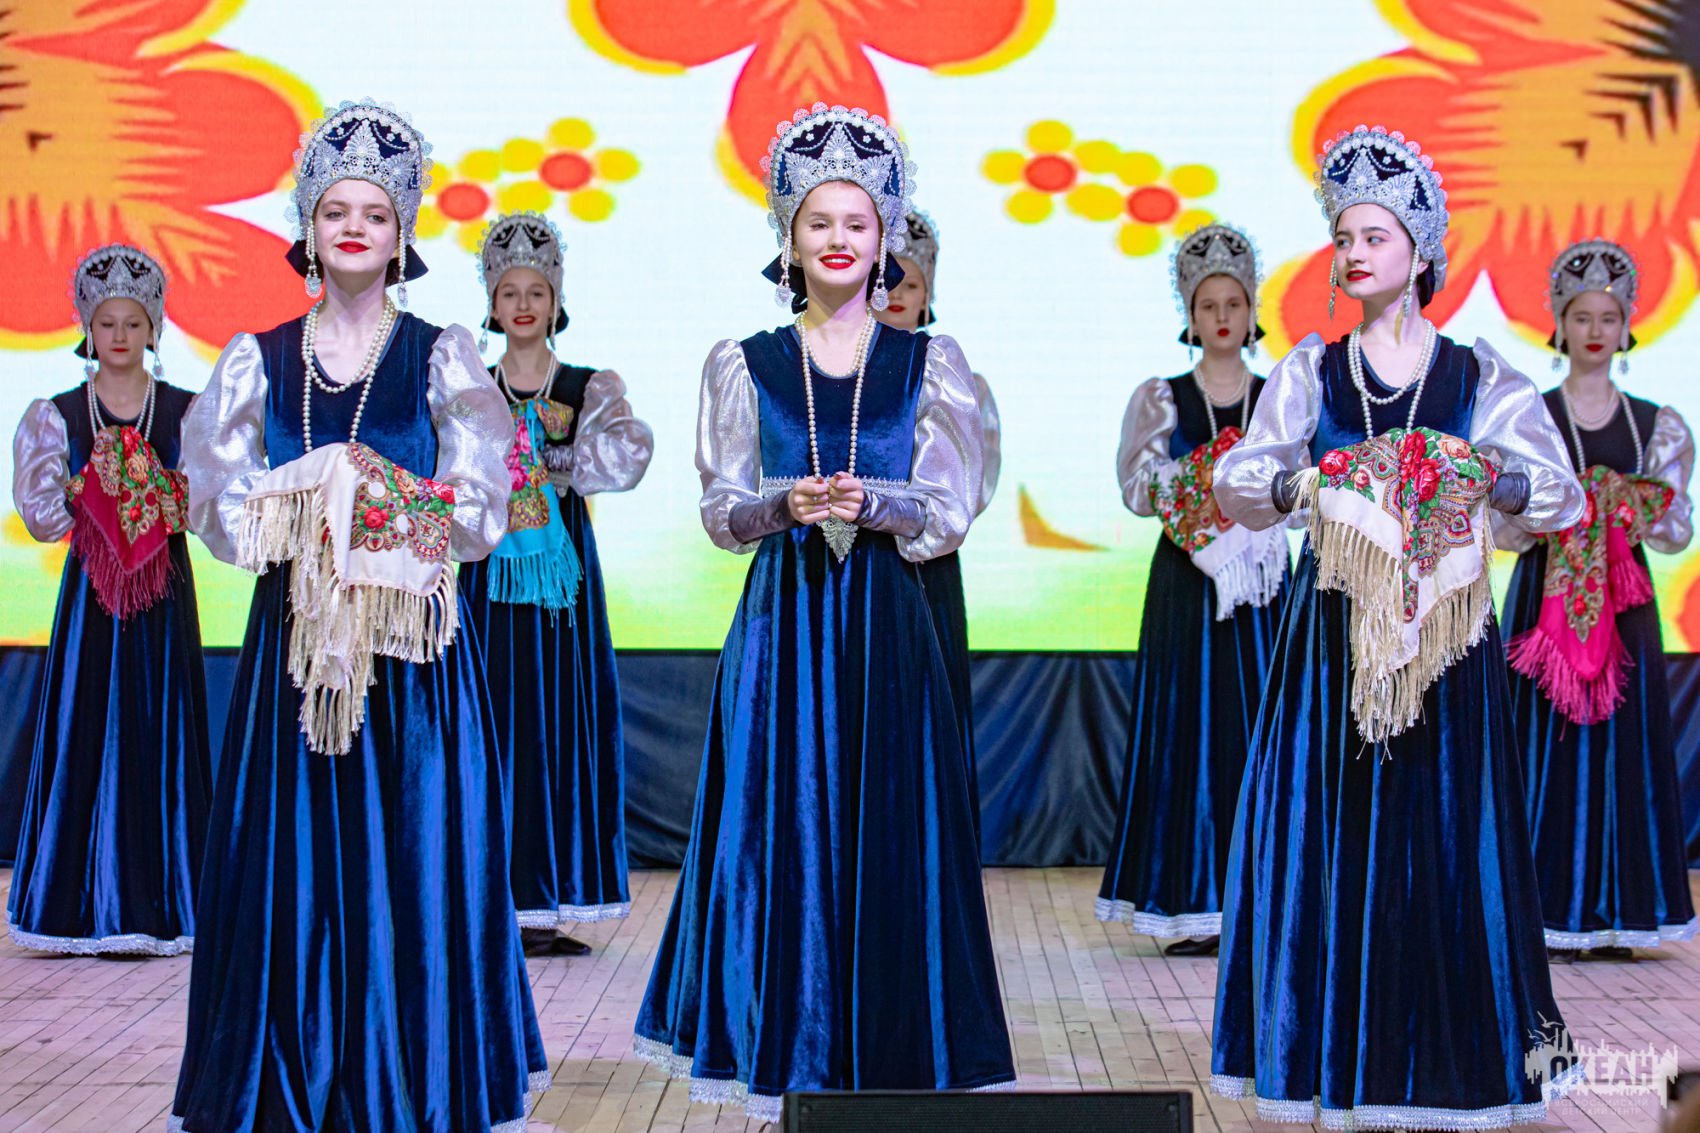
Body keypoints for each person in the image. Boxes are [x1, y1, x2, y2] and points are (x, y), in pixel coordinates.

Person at [168, 100, 547, 1132]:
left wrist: (374, 493)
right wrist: (305, 492)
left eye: (374, 214)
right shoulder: (257, 356)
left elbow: (479, 509)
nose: (353, 228)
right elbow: (216, 501)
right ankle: (283, 1073)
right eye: (335, 210)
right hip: (295, 652)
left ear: (401, 232)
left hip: (412, 661)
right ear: (307, 224)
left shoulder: (440, 354)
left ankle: (412, 1074)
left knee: (413, 856)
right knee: (287, 864)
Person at [633, 103, 1014, 1120]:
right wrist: (781, 505)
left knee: (893, 827)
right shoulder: (744, 361)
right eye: (818, 222)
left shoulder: (930, 362)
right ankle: (781, 1042)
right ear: (788, 238)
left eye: (857, 221)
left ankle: (893, 1049)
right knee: (777, 825)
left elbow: (948, 509)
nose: (838, 239)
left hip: (887, 623)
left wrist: (878, 505)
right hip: (783, 628)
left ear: (885, 238)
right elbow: (720, 509)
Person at [1210, 124, 1586, 1127]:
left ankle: (1457, 1059)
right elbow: (1241, 480)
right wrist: (1310, 483)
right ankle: (1329, 1051)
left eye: (1373, 235)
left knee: (1448, 834)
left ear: (1419, 251)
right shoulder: (1311, 369)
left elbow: (1557, 491)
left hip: (1447, 644)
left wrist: (1479, 474)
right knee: (1329, 831)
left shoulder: (1475, 373)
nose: (1353, 252)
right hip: (1332, 638)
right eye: (1343, 237)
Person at [6, 244, 210, 956]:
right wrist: (88, 490)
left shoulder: (185, 411)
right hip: (91, 599)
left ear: (153, 328)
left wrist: (156, 488)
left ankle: (168, 900)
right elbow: (41, 515)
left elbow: (210, 504)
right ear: (87, 330)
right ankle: (79, 902)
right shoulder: (59, 414)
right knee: (85, 724)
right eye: (106, 323)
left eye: (133, 322)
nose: (119, 335)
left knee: (162, 727)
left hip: (163, 596)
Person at [462, 210, 654, 955]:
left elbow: (628, 455)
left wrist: (553, 459)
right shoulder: (469, 387)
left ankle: (546, 903)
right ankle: (482, 902)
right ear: (491, 300)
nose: (522, 304)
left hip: (561, 587)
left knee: (557, 723)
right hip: (484, 579)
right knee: (487, 723)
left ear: (555, 299)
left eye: (535, 291)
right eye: (509, 291)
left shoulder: (586, 386)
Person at [1501, 239, 1697, 960]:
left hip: (1623, 604)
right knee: (1542, 744)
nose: (1594, 330)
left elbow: (1674, 529)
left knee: (1623, 748)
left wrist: (1622, 503)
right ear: (1559, 322)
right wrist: (1562, 507)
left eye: (1608, 318)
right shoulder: (1531, 416)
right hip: (1542, 603)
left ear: (1626, 327)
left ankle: (1621, 911)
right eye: (1581, 316)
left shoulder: (1654, 424)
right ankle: (1541, 909)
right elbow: (1506, 522)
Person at [1097, 223, 1288, 957]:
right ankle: (1189, 900)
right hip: (1186, 585)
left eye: (1233, 303)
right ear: (1190, 312)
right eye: (1208, 304)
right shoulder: (1164, 398)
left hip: (1263, 595)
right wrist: (1200, 474)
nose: (1221, 316)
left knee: (1260, 729)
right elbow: (1137, 489)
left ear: (1251, 310)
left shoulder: (1276, 398)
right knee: (1187, 732)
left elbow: (1299, 489)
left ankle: (1264, 900)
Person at [872, 209, 999, 835]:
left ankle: (930, 853)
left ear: (929, 296)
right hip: (856, 569)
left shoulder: (956, 380)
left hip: (928, 567)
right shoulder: (833, 376)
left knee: (928, 711)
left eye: (913, 282)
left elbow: (974, 485)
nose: (898, 292)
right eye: (888, 278)